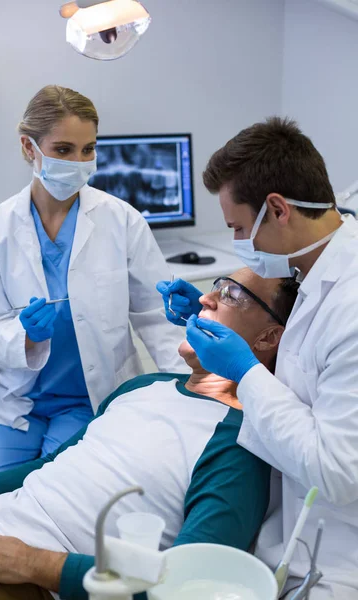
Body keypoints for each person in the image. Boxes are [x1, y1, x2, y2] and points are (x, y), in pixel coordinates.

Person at [0, 268, 298, 600]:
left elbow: (190, 583)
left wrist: (35, 564)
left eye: (232, 295)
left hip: (26, 580)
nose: (205, 298)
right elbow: (54, 462)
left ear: (268, 338)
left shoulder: (235, 447)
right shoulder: (145, 385)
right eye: (219, 286)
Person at [157, 117, 358, 599]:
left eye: (240, 228)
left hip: (338, 555)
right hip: (286, 529)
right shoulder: (314, 270)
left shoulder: (351, 304)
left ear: (277, 209)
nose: (239, 244)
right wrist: (217, 303)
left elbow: (338, 472)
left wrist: (245, 371)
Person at [0, 85, 186, 478]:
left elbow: (157, 318)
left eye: (88, 149)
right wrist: (24, 337)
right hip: (15, 401)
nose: (79, 161)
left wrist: (191, 392)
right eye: (64, 149)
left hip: (89, 398)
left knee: (55, 491)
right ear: (28, 148)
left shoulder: (122, 221)